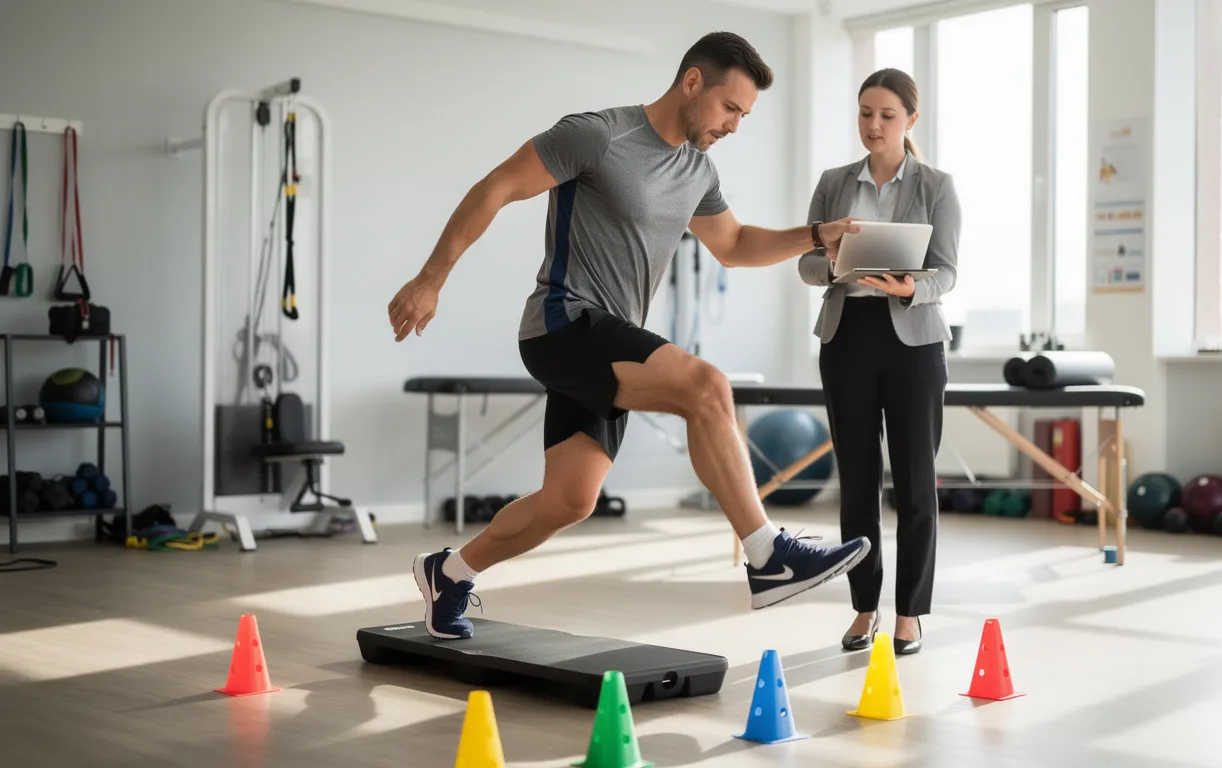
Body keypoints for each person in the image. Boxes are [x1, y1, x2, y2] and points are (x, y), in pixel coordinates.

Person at [387, 31, 872, 640]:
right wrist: (432, 278)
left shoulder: (698, 169)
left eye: (744, 116)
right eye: (730, 108)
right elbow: (497, 187)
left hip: (609, 337)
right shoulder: (599, 134)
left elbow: (733, 244)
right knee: (706, 386)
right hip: (563, 321)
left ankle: (448, 574)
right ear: (693, 81)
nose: (734, 125)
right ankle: (766, 555)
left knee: (569, 500)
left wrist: (816, 234)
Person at [796, 68, 961, 655]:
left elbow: (946, 271)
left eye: (887, 115)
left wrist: (906, 288)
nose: (873, 125)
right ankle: (864, 608)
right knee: (858, 482)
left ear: (910, 120)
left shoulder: (935, 185)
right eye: (865, 113)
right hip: (846, 337)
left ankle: (910, 613)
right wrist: (834, 260)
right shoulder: (834, 182)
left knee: (916, 482)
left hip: (913, 339)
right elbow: (806, 264)